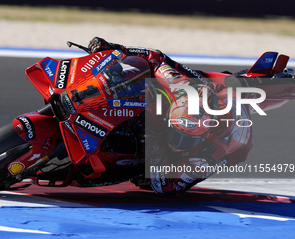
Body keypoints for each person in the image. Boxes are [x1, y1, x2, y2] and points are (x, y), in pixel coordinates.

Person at [88, 37, 252, 195]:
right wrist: (113, 48)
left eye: (187, 139)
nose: (177, 143)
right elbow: (154, 57)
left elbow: (167, 187)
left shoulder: (209, 153)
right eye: (176, 133)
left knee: (145, 181)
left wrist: (157, 159)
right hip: (209, 91)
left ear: (205, 135)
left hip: (231, 148)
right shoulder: (179, 85)